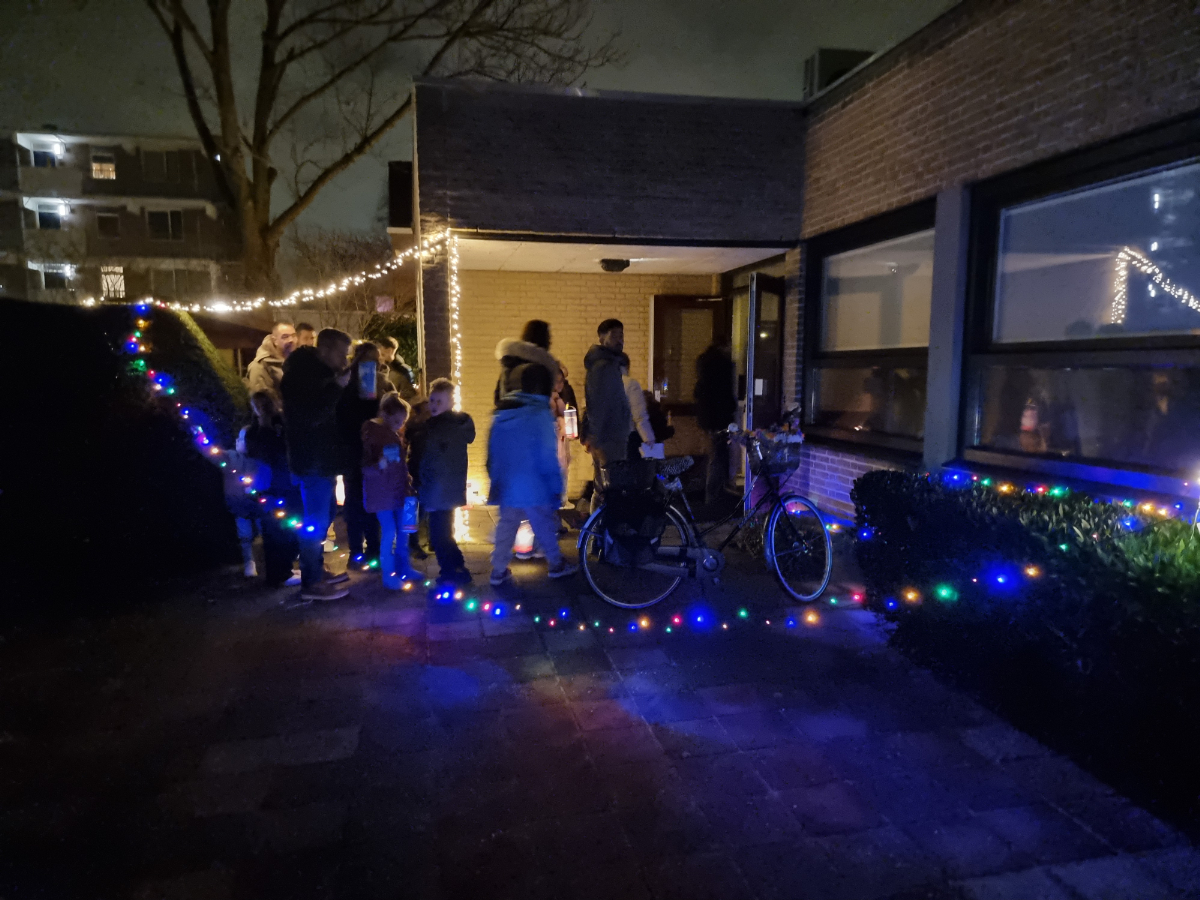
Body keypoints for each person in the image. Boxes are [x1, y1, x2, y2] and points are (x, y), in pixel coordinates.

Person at [488, 364, 579, 586]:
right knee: (543, 524)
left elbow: (494, 449)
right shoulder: (539, 414)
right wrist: (555, 486)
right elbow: (547, 454)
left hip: (509, 482)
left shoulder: (504, 412)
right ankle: (556, 563)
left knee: (507, 525)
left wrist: (495, 476)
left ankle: (498, 570)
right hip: (534, 483)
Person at [281, 327, 353, 601]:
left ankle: (316, 571)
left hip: (322, 459)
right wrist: (337, 387)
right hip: (312, 459)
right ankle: (311, 582)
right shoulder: (302, 377)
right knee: (315, 520)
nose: (344, 361)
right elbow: (312, 415)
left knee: (324, 516)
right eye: (341, 354)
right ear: (325, 350)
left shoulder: (318, 374)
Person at [407, 378, 475, 586]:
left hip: (436, 488)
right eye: (432, 400)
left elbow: (424, 458)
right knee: (444, 533)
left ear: (451, 402)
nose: (434, 405)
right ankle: (457, 568)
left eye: (439, 401)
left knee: (439, 536)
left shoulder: (432, 428)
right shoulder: (458, 425)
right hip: (449, 488)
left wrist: (418, 481)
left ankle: (450, 572)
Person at [243, 390, 301, 586]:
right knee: (278, 530)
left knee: (281, 528)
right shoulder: (262, 430)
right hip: (276, 485)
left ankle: (284, 569)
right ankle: (280, 574)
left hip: (274, 484)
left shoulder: (262, 429)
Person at [362, 392, 417, 589]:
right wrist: (380, 464)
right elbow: (366, 466)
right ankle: (389, 574)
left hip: (401, 491)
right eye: (396, 421)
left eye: (402, 422)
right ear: (384, 414)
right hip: (383, 493)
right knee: (390, 531)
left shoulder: (392, 434)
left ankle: (404, 567)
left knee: (406, 528)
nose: (399, 425)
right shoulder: (373, 433)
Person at [337, 341, 382, 569]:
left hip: (352, 450)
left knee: (356, 503)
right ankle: (369, 551)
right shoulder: (361, 382)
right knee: (366, 502)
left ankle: (358, 552)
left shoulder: (346, 381)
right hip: (362, 449)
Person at [583, 319, 631, 510]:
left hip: (611, 436)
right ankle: (599, 526)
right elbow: (598, 404)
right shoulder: (603, 366)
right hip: (609, 438)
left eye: (622, 335)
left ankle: (599, 526)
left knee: (604, 488)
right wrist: (596, 437)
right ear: (602, 338)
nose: (620, 340)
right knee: (608, 489)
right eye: (615, 335)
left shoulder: (609, 364)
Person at [694, 338, 737, 504]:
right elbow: (724, 394)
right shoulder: (722, 365)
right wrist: (731, 407)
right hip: (718, 418)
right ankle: (713, 495)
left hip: (708, 418)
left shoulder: (704, 364)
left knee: (714, 455)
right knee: (718, 456)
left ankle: (712, 493)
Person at [494, 319, 559, 405]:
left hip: (507, 412)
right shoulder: (538, 369)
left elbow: (497, 398)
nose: (550, 342)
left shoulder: (510, 364)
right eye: (548, 337)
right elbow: (539, 402)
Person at [247, 321, 297, 408]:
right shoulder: (260, 366)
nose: (291, 340)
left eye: (293, 335)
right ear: (275, 340)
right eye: (285, 337)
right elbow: (262, 405)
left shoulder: (296, 361)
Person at [621, 353, 656, 460]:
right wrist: (649, 440)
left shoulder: (600, 385)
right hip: (627, 440)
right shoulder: (630, 384)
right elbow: (639, 416)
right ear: (627, 366)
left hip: (605, 442)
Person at [378, 336, 417, 400]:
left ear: (390, 351)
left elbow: (409, 395)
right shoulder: (376, 368)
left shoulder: (403, 371)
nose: (380, 358)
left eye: (383, 354)